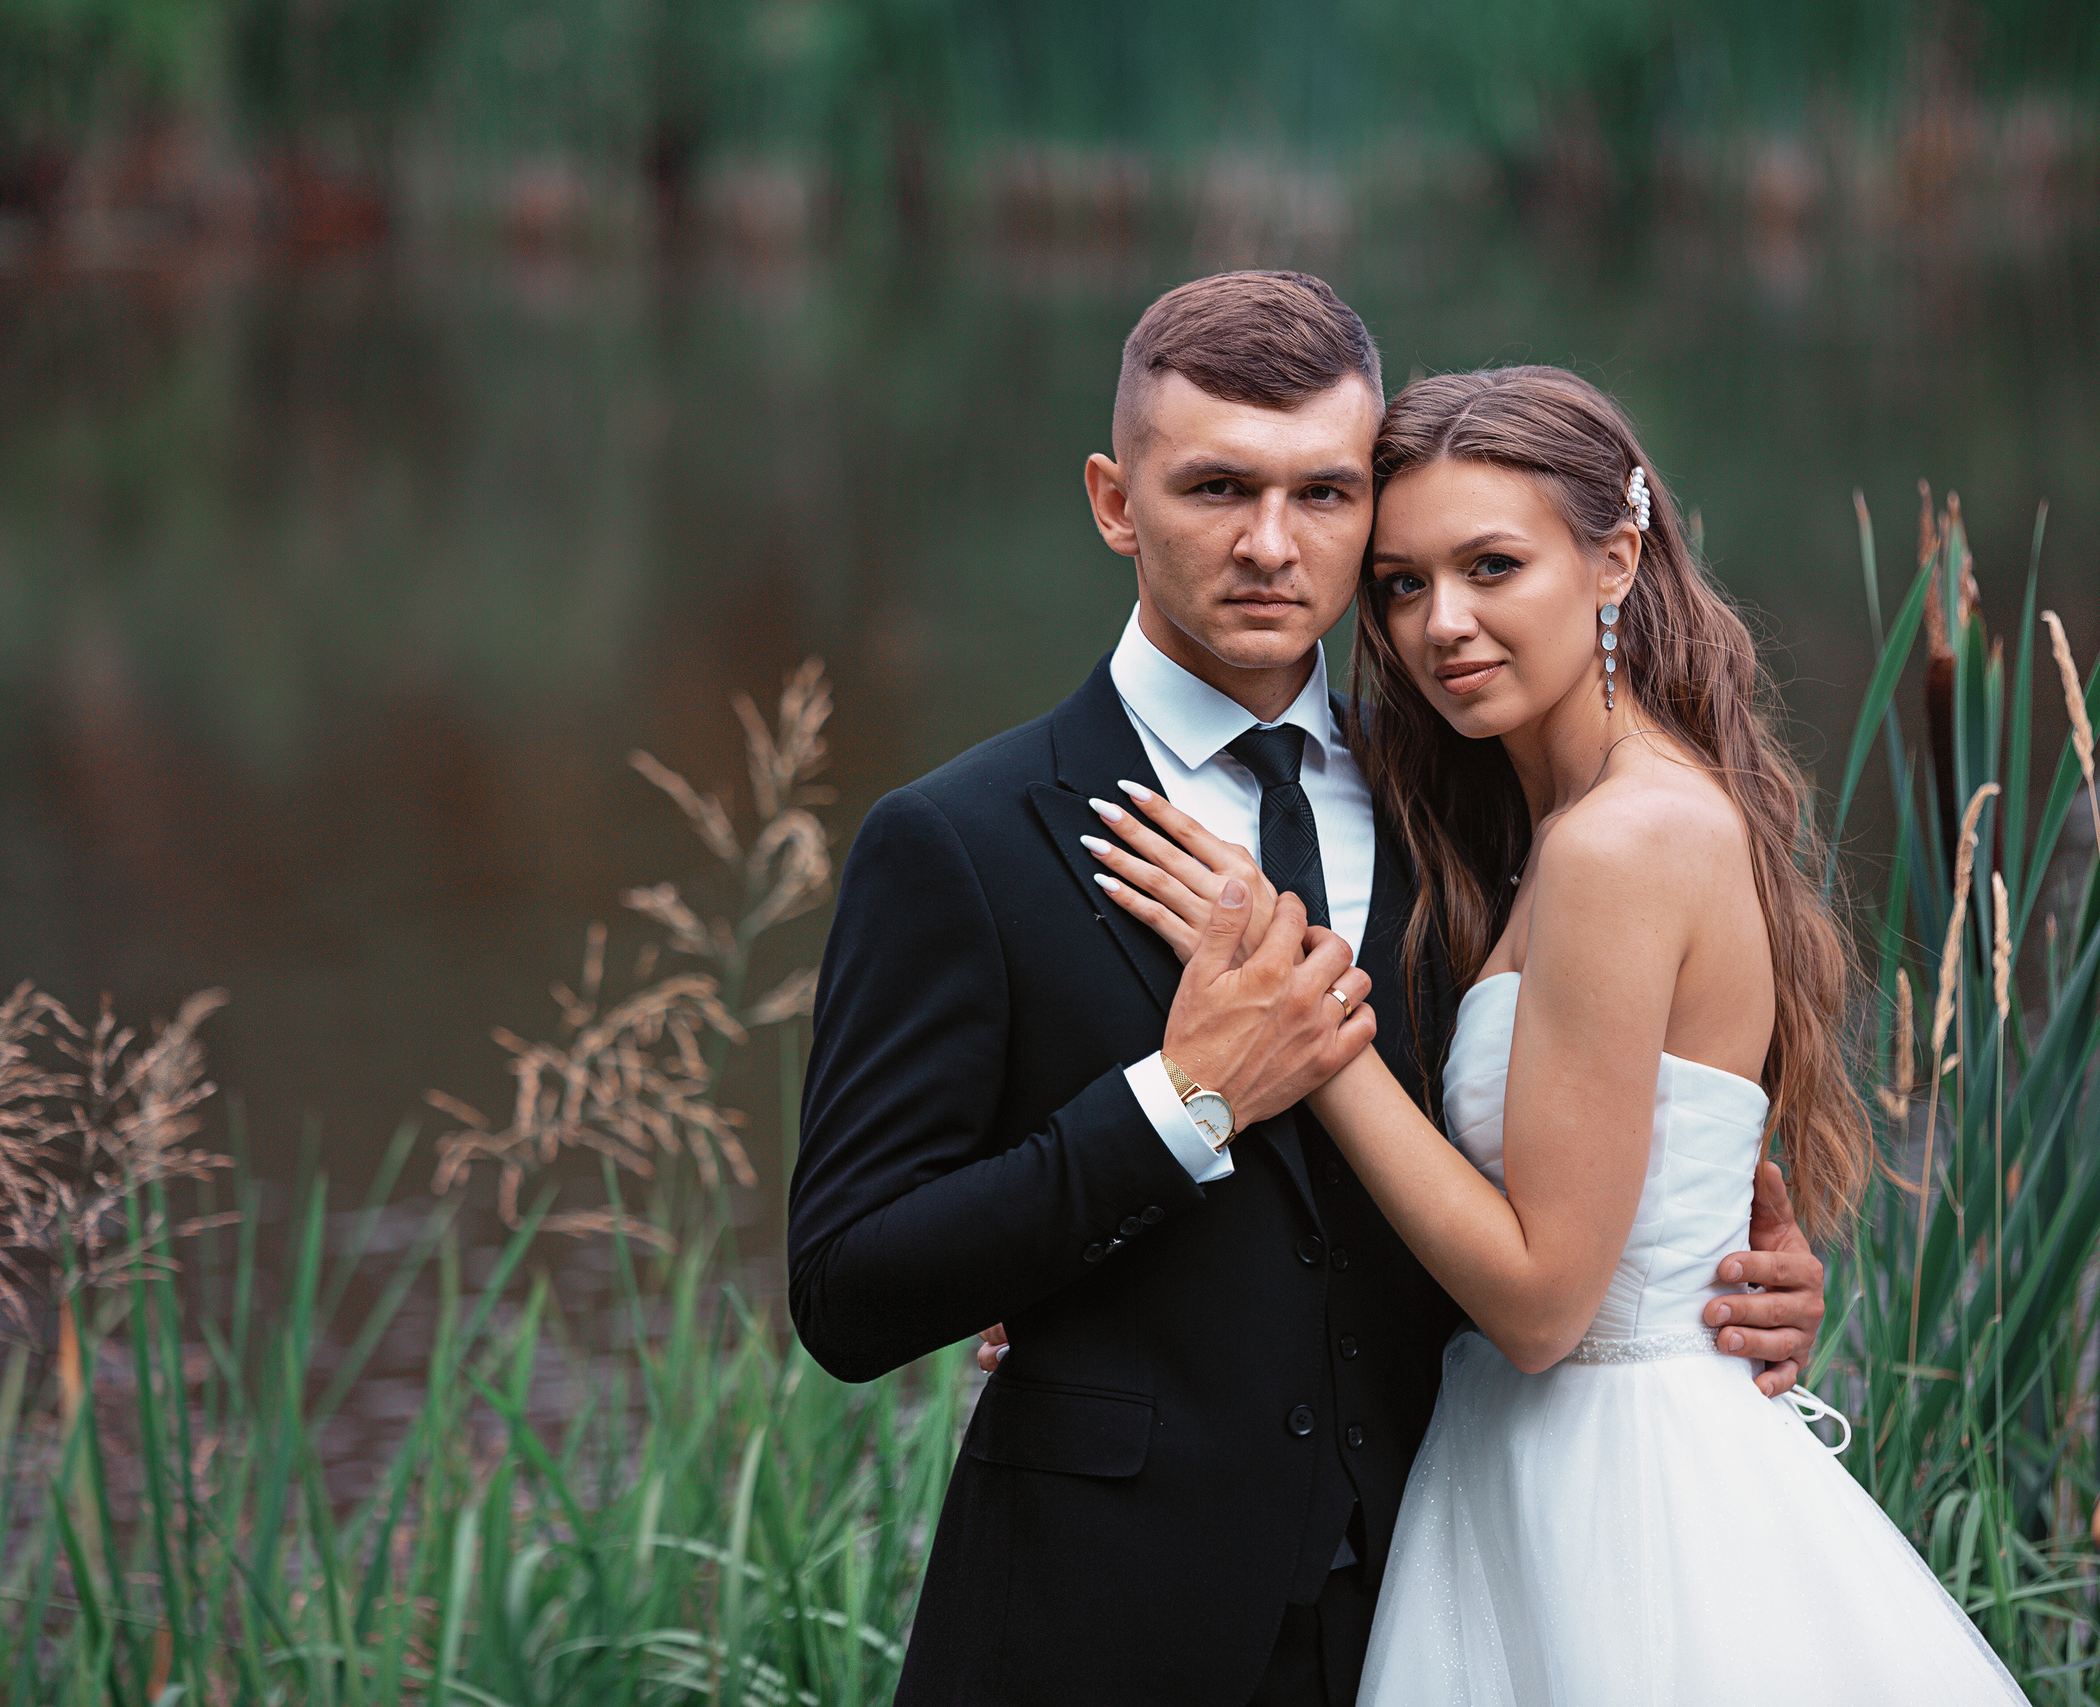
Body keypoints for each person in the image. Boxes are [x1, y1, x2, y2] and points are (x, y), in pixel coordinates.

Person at [785, 276, 1830, 1707]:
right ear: (1113, 499)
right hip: (1096, 1634)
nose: (1273, 546)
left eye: (1327, 496)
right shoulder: (963, 843)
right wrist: (1175, 1106)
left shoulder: (1476, 822)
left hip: (1448, 1596)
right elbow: (849, 1290)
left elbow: (1569, 1186)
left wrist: (1728, 1280)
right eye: (1217, 486)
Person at [1087, 363, 2029, 1703]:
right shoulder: (1522, 832)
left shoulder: (1620, 843)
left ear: (1617, 558)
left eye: (1491, 567)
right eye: (1403, 584)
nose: (1441, 626)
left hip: (1620, 1498)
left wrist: (1303, 1018)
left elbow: (1541, 1305)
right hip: (1526, 1465)